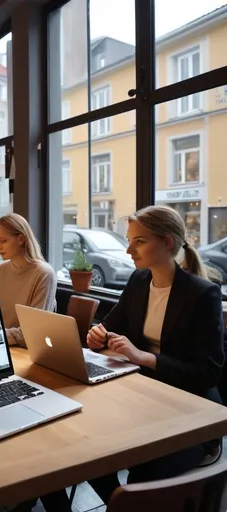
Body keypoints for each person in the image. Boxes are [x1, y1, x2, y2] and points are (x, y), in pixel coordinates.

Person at [24, 205, 225, 511]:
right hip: (142, 397)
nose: (129, 249)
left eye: (139, 241)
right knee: (70, 447)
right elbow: (111, 325)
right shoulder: (139, 281)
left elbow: (207, 373)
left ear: (168, 242)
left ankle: (127, 503)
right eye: (129, 240)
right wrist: (98, 334)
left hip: (189, 410)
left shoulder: (202, 294)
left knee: (120, 467)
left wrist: (143, 357)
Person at [0, 213, 56, 347]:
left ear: (21, 239)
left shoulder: (44, 274)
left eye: (3, 241)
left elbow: (33, 332)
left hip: (25, 351)